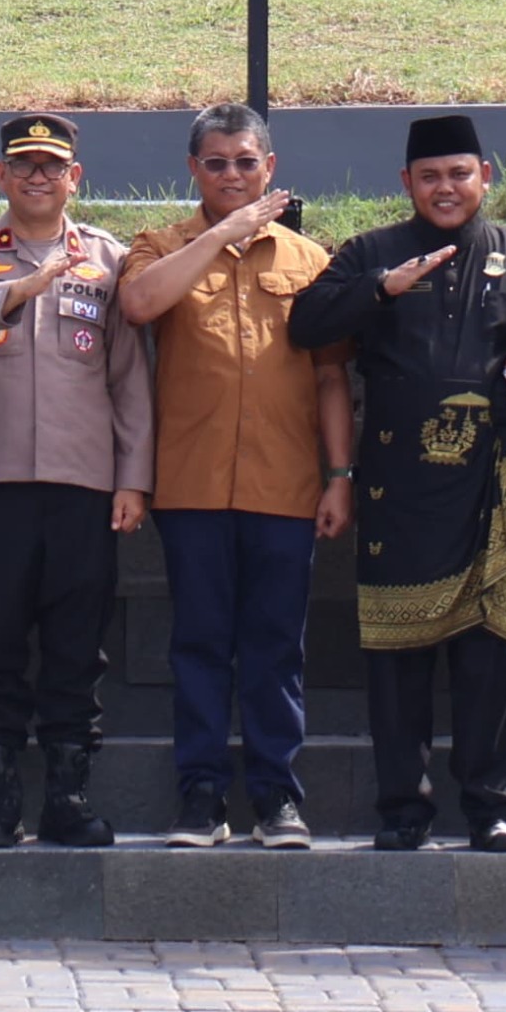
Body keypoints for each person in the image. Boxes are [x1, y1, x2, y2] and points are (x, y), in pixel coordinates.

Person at [286, 113, 506, 853]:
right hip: (397, 487)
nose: (446, 188)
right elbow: (307, 326)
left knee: (488, 655)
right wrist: (380, 289)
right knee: (396, 657)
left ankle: (490, 807)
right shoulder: (371, 253)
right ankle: (402, 810)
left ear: (486, 177)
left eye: (460, 174)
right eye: (430, 177)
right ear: (406, 183)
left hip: (493, 491)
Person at [117, 103, 348, 847]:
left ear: (269, 169)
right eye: (216, 164)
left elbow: (333, 380)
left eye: (246, 163)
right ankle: (201, 797)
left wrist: (339, 475)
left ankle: (278, 798)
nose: (231, 176)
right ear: (193, 170)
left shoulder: (310, 262)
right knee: (200, 644)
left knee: (277, 647)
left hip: (284, 486)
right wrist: (222, 234)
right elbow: (140, 304)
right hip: (191, 484)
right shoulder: (162, 245)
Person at [0, 109, 153, 851]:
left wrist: (133, 479)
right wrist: (16, 292)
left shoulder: (109, 259)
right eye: (24, 165)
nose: (38, 177)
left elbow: (129, 379)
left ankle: (67, 796)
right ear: (1, 176)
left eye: (52, 166)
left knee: (76, 646)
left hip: (84, 484)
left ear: (74, 178)